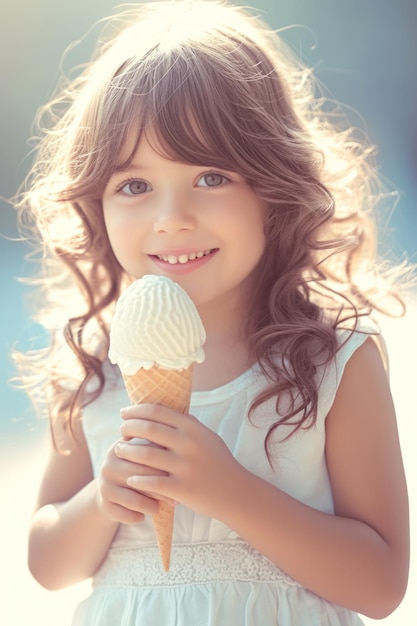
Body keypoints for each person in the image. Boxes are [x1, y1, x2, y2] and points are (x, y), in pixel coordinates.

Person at [13, 1, 410, 624]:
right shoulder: (98, 364)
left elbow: (381, 583)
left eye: (211, 176)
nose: (172, 218)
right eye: (135, 185)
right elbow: (47, 563)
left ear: (274, 188)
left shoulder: (334, 358)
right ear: (98, 204)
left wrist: (231, 491)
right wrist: (101, 501)